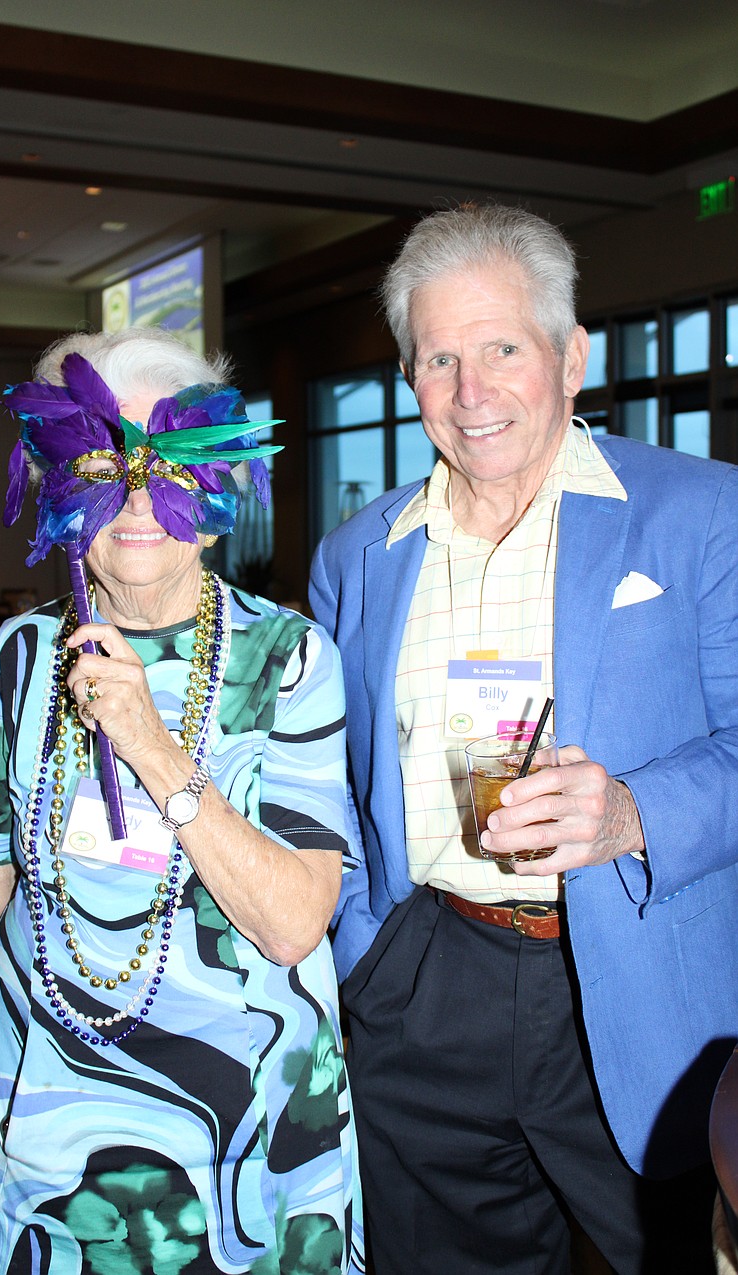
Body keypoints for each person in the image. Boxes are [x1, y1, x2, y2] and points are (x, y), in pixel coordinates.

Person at [309, 204, 738, 1273]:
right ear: (410, 379)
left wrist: (635, 811)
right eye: (437, 358)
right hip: (423, 979)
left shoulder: (703, 514)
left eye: (501, 347)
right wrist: (371, 958)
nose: (471, 391)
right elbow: (329, 777)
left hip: (641, 989)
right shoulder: (359, 555)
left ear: (570, 354)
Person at [0, 327, 364, 1274]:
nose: (134, 500)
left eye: (164, 468)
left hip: (244, 1155)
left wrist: (151, 747)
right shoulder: (18, 658)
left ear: (214, 503)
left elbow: (296, 922)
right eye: (98, 465)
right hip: (44, 1151)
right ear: (56, 490)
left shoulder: (290, 660)